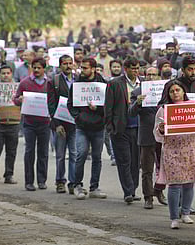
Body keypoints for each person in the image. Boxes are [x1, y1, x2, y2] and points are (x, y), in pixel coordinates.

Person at [154, 80, 195, 229]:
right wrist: (161, 128)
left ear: (183, 91)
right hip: (171, 150)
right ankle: (174, 217)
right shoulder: (163, 110)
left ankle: (185, 213)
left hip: (190, 148)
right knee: (174, 184)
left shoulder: (193, 106)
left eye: (178, 90)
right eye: (172, 91)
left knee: (188, 183)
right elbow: (157, 133)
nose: (175, 93)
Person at [67, 57, 107, 200]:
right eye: (81, 67)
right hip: (82, 127)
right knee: (81, 154)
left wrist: (98, 109)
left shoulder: (103, 84)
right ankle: (77, 185)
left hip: (98, 127)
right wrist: (78, 117)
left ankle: (94, 187)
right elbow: (70, 104)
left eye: (85, 68)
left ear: (93, 69)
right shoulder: (77, 84)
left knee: (97, 157)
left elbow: (108, 105)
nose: (82, 70)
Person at [128, 67, 167, 209]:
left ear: (158, 76)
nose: (151, 77)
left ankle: (159, 191)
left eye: (154, 75)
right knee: (147, 169)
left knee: (164, 167)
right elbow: (131, 113)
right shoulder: (138, 92)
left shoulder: (166, 91)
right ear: (145, 76)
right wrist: (137, 102)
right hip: (146, 135)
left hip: (164, 135)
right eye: (149, 74)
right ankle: (148, 196)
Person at [105, 57, 141, 204]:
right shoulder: (115, 84)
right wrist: (110, 127)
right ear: (125, 69)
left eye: (137, 68)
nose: (136, 71)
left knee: (135, 161)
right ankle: (128, 191)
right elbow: (108, 107)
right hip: (121, 128)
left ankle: (133, 189)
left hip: (138, 128)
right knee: (124, 160)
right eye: (133, 68)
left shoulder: (143, 83)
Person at [13, 57, 51, 191]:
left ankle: (42, 180)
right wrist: (20, 99)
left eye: (39, 67)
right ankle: (29, 181)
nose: (36, 70)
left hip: (45, 123)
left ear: (44, 68)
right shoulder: (25, 83)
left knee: (43, 152)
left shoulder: (49, 83)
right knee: (29, 151)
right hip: (29, 123)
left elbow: (54, 101)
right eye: (34, 67)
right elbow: (15, 99)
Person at [47, 55, 76, 194]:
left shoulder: (78, 79)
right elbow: (51, 104)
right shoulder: (54, 81)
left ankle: (73, 182)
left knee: (74, 154)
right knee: (60, 155)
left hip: (75, 124)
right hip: (61, 124)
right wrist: (57, 124)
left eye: (70, 63)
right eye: (65, 64)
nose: (68, 66)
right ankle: (60, 181)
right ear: (60, 65)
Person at [0, 65, 20, 184]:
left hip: (14, 123)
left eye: (8, 73)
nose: (5, 75)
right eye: (3, 73)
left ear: (11, 74)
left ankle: (9, 175)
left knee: (11, 151)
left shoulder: (18, 88)